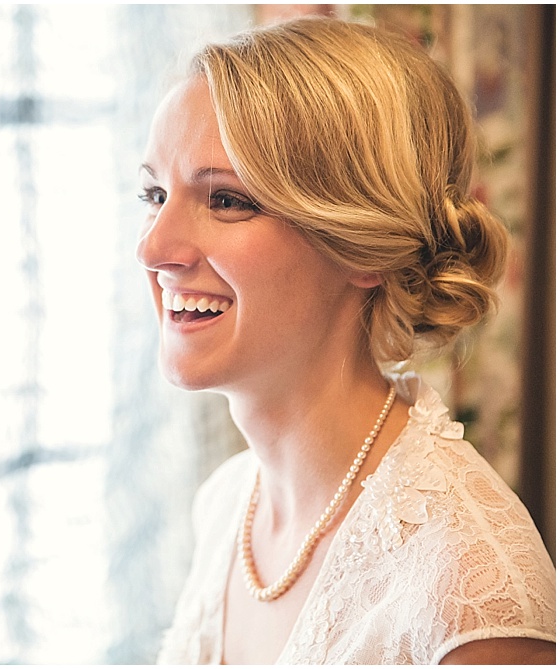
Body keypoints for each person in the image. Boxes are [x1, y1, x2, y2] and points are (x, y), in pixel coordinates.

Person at [135, 17, 556, 665]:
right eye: (155, 193)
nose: (153, 247)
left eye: (225, 200)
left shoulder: (470, 594)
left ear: (362, 245)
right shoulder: (225, 504)